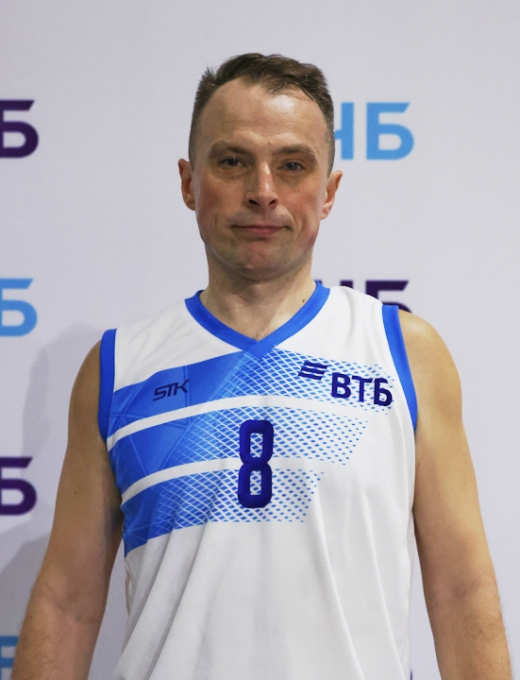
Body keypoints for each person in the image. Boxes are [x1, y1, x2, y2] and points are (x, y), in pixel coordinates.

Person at [13, 53, 511, 680]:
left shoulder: (404, 352)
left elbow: (462, 590)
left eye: (292, 165)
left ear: (329, 192)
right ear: (189, 182)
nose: (263, 190)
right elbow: (67, 604)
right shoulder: (118, 367)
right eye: (233, 161)